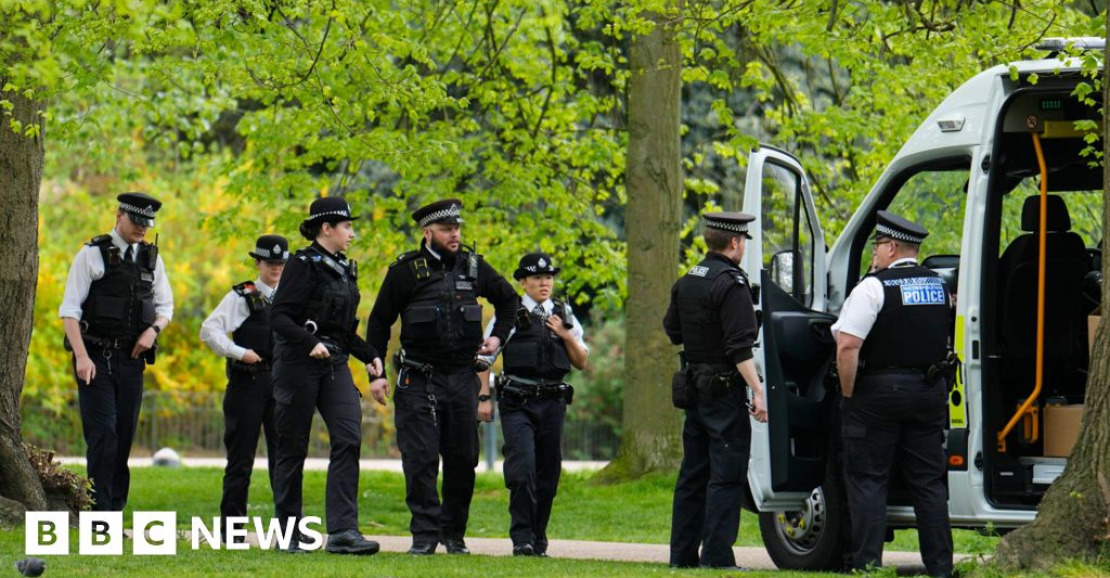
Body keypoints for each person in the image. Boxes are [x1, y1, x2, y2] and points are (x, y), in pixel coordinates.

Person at [365, 199, 519, 555]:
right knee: (419, 459)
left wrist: (498, 337)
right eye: (448, 229)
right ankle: (424, 536)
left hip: (462, 377)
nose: (455, 235)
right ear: (427, 233)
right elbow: (379, 321)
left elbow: (509, 301)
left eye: (457, 228)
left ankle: (454, 535)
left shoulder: (473, 266)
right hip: (417, 378)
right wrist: (375, 373)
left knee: (463, 459)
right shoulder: (405, 270)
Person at [832, 210, 953, 578]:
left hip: (878, 395)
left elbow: (847, 346)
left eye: (878, 247)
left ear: (893, 247)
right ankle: (940, 569)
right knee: (929, 486)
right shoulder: (940, 287)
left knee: (868, 482)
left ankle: (868, 567)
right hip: (928, 391)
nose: (875, 254)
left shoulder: (873, 287)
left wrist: (849, 393)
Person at [268, 197, 382, 556]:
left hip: (334, 363)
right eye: (347, 226)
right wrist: (309, 342)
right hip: (297, 364)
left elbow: (344, 330)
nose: (352, 232)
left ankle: (344, 532)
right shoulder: (302, 264)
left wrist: (370, 356)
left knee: (348, 437)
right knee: (292, 448)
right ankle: (289, 533)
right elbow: (279, 318)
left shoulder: (344, 269)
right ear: (326, 228)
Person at [662, 211, 768, 569]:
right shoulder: (732, 284)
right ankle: (718, 557)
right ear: (735, 242)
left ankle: (681, 556)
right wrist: (758, 390)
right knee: (726, 475)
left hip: (695, 388)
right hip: (724, 392)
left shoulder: (688, 280)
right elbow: (740, 349)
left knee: (693, 474)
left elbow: (673, 330)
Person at [59, 192, 173, 511]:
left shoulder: (151, 258)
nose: (141, 229)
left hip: (131, 360)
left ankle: (114, 510)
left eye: (146, 224)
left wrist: (153, 330)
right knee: (103, 435)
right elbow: (70, 311)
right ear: (119, 215)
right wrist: (81, 357)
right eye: (136, 221)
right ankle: (98, 511)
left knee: (123, 438)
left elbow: (166, 306)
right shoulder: (92, 254)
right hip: (94, 356)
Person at [477, 252, 589, 557]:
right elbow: (484, 358)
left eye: (549, 277)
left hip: (553, 404)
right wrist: (484, 397)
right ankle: (522, 538)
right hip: (517, 403)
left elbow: (581, 361)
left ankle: (539, 538)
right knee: (522, 468)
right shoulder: (509, 313)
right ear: (523, 282)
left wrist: (566, 335)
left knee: (548, 474)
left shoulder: (564, 313)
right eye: (537, 278)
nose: (544, 283)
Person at [200, 234, 288, 525]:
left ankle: (289, 529)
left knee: (284, 461)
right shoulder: (241, 296)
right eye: (270, 262)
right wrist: (238, 352)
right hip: (247, 383)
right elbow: (209, 330)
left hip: (281, 385)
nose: (276, 268)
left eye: (281, 263)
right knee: (240, 461)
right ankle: (232, 528)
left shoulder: (292, 297)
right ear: (258, 262)